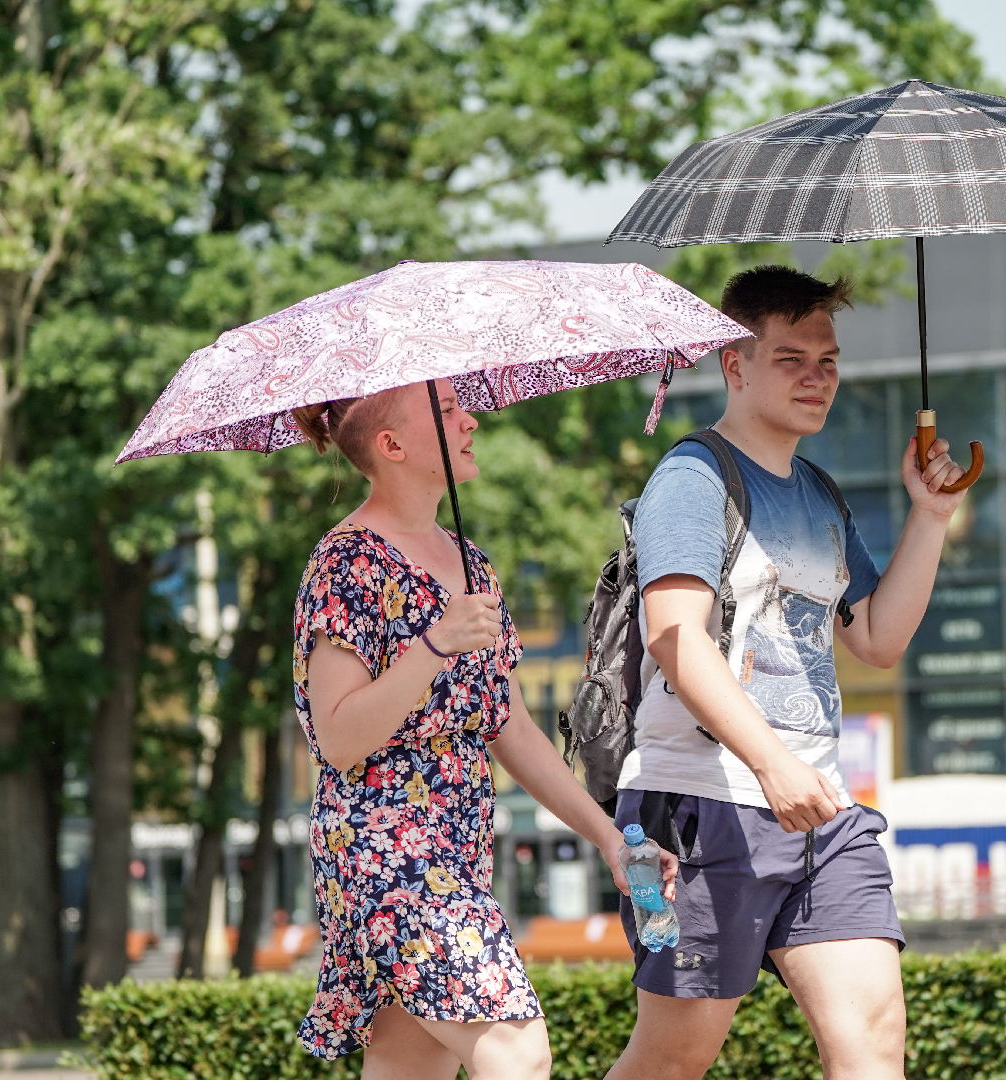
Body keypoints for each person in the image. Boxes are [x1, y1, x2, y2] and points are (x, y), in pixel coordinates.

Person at [604, 266, 968, 1080]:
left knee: (872, 1044)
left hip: (822, 811)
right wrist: (772, 762)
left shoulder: (819, 493)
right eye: (790, 358)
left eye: (828, 361)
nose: (816, 378)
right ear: (735, 365)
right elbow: (672, 636)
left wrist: (931, 515)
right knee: (673, 1056)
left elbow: (874, 638)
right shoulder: (691, 478)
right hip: (693, 810)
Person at [289, 381, 676, 1079]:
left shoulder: (473, 567)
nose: (470, 419)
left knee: (412, 1070)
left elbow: (511, 727)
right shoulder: (346, 563)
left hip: (456, 849)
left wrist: (610, 839)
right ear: (392, 445)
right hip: (386, 852)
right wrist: (434, 644)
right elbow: (338, 738)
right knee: (516, 1052)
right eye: (444, 411)